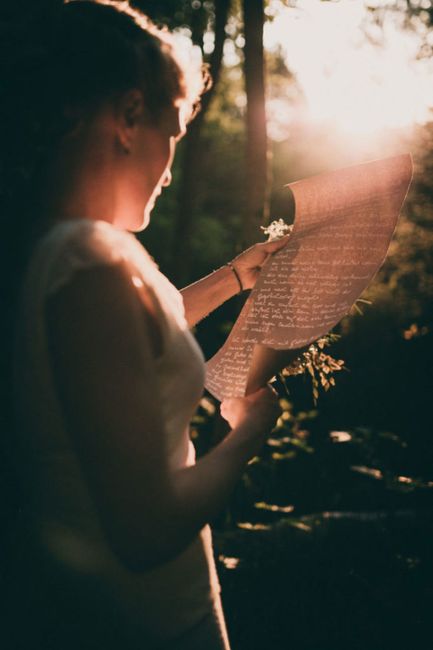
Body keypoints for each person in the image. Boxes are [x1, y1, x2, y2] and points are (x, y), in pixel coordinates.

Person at [2, 1, 287, 648]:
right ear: (130, 118)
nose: (170, 165)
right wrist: (245, 436)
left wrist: (236, 276)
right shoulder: (88, 263)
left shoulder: (70, 249)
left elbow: (134, 347)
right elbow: (146, 531)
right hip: (146, 625)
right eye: (176, 131)